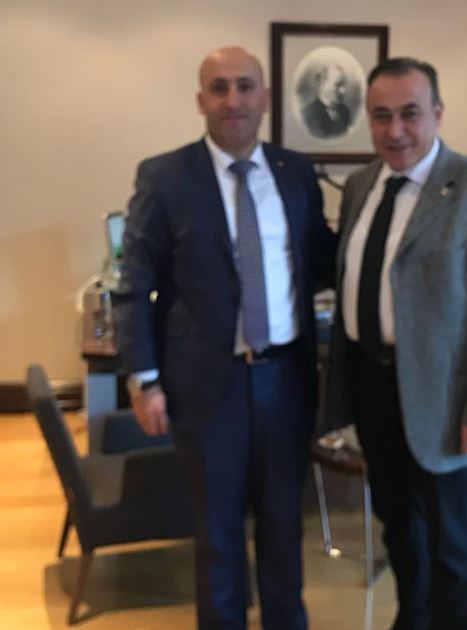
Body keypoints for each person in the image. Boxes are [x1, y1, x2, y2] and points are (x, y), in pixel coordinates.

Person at [113, 46, 335, 630]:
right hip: (206, 385)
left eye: (244, 86)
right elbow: (133, 283)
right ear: (200, 100)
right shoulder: (165, 177)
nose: (233, 99)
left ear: (265, 97)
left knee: (284, 526)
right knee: (217, 534)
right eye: (219, 88)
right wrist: (144, 378)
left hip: (286, 382)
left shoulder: (296, 172)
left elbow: (321, 259)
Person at [322, 57, 467, 630]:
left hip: (448, 401)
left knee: (453, 547)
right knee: (399, 527)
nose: (395, 131)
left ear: (437, 113)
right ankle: (411, 620)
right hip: (374, 387)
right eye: (381, 116)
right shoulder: (362, 186)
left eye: (410, 114)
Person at [301, 63, 353, 138]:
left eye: (343, 84)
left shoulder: (345, 112)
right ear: (322, 85)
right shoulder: (308, 115)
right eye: (338, 85)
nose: (343, 91)